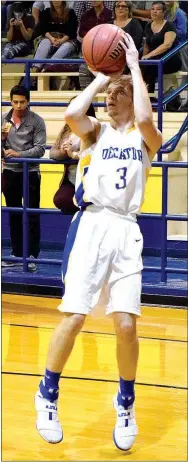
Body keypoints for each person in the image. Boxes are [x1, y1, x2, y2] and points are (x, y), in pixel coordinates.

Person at [34, 33, 162, 450]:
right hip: (92, 224)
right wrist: (99, 76)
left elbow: (145, 120)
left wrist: (134, 68)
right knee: (74, 315)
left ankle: (126, 402)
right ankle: (47, 394)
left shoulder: (146, 138)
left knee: (125, 324)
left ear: (131, 97)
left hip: (126, 229)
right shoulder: (95, 134)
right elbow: (72, 112)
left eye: (115, 94)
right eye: (108, 95)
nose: (109, 100)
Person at [1, 85, 46, 270]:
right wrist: (2, 140)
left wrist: (19, 154)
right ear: (11, 101)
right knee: (14, 214)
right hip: (10, 173)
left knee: (32, 214)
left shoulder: (37, 121)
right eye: (15, 102)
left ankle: (32, 255)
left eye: (22, 102)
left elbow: (41, 148)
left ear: (28, 102)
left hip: (30, 172)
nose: (18, 105)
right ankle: (16, 253)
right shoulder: (3, 119)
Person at [50, 102, 96, 214]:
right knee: (61, 199)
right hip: (71, 180)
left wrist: (73, 155)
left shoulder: (96, 128)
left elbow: (96, 156)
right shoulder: (67, 129)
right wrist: (63, 152)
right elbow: (52, 153)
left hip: (91, 180)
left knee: (92, 203)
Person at [141, 1, 182, 93]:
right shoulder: (148, 26)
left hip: (170, 58)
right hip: (154, 58)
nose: (154, 11)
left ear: (164, 13)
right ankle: (147, 94)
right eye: (152, 9)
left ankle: (155, 94)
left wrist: (149, 56)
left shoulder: (169, 26)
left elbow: (166, 45)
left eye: (158, 9)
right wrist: (143, 61)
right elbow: (146, 45)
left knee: (152, 64)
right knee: (143, 65)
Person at [31, 1, 78, 73]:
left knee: (66, 47)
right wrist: (52, 39)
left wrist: (61, 40)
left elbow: (72, 31)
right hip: (50, 37)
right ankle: (34, 70)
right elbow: (43, 29)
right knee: (44, 43)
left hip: (66, 39)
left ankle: (47, 69)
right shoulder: (46, 12)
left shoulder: (70, 12)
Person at [79, 1, 112, 90]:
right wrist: (94, 35)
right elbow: (81, 32)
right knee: (83, 68)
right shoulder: (86, 15)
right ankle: (86, 95)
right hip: (90, 48)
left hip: (106, 49)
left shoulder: (110, 14)